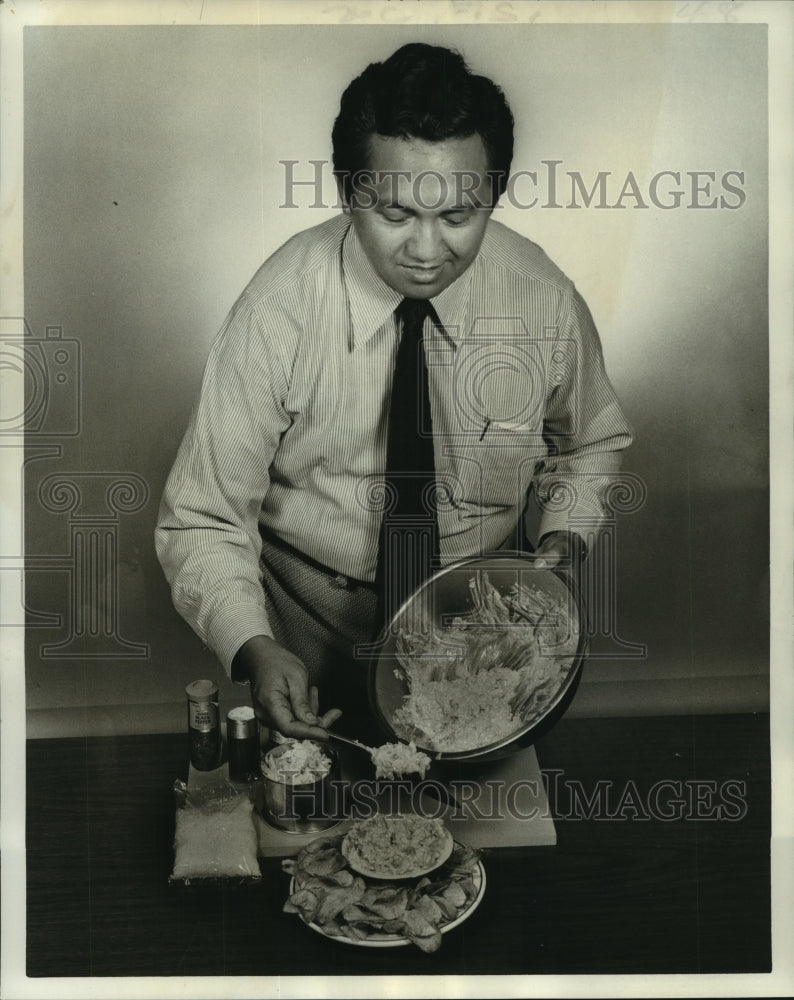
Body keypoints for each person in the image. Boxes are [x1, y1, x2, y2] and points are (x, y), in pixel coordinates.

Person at [155, 42, 632, 743]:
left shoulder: (543, 298)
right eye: (396, 213)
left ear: (494, 193)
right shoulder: (276, 308)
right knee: (319, 835)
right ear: (349, 192)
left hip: (481, 632)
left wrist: (563, 550)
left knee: (473, 841)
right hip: (309, 630)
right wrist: (256, 648)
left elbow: (590, 443)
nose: (427, 248)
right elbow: (203, 515)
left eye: (460, 215)